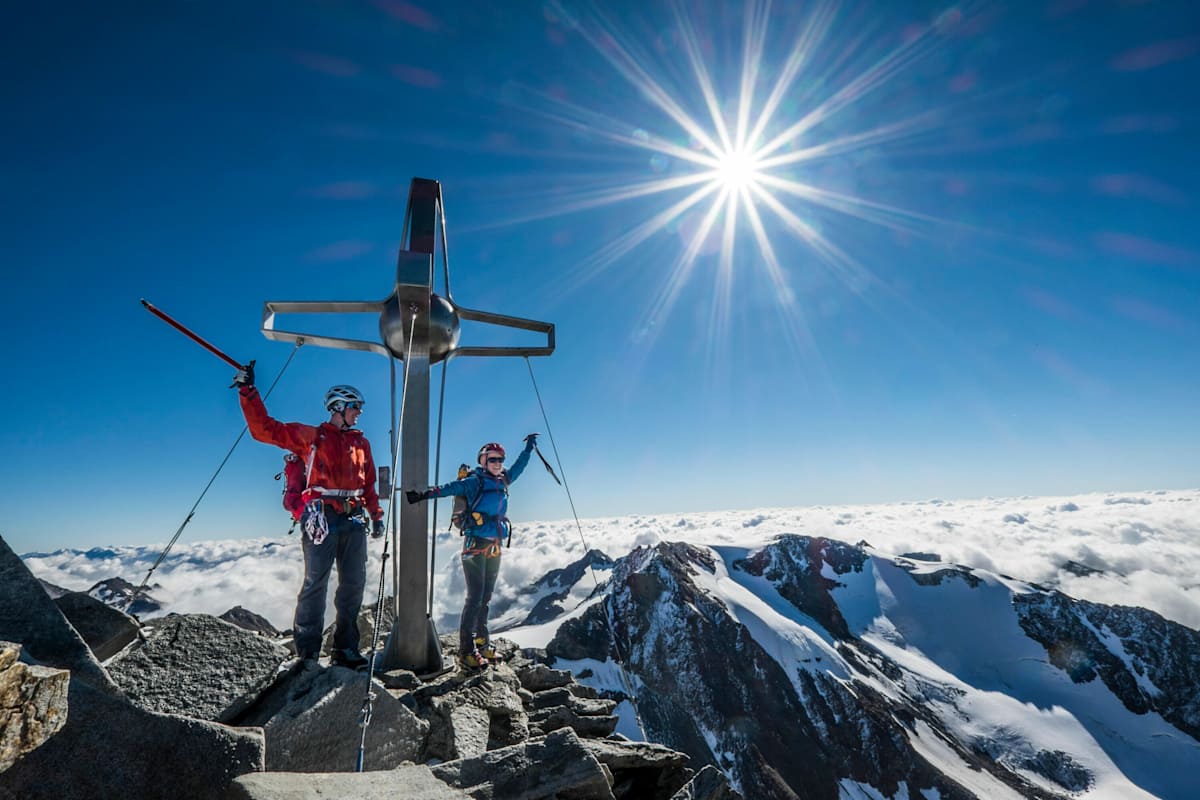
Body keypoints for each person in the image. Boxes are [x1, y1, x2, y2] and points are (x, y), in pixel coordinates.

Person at [233, 363, 385, 670]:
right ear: (338, 408)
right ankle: (308, 654)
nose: (359, 413)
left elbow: (368, 484)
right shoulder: (312, 437)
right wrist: (247, 391)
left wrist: (376, 514)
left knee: (354, 584)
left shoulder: (361, 443)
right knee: (316, 583)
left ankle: (346, 649)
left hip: (354, 520)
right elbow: (265, 429)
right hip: (322, 519)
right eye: (355, 407)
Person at [406, 434, 538, 668]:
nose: (498, 463)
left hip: (494, 546)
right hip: (474, 546)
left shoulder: (503, 480)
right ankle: (466, 651)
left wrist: (529, 448)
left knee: (485, 598)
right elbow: (449, 488)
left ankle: (482, 643)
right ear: (483, 461)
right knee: (475, 598)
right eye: (493, 459)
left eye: (501, 459)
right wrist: (423, 494)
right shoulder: (474, 482)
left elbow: (520, 466)